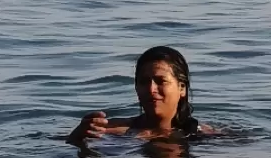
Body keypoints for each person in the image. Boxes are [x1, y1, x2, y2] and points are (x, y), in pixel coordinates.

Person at [66, 45, 220, 146]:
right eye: (144, 82)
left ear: (182, 88)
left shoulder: (202, 135)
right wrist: (77, 136)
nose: (151, 89)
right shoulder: (111, 130)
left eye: (161, 81)